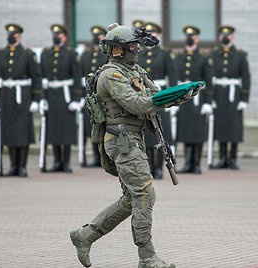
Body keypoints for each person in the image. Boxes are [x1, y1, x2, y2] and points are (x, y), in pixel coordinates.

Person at [70, 23, 175, 268]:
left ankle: (85, 236)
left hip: (132, 138)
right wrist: (165, 100)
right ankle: (147, 257)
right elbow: (138, 105)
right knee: (144, 194)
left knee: (132, 198)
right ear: (118, 50)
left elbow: (154, 94)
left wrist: (178, 95)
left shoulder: (133, 70)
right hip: (122, 140)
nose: (136, 50)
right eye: (132, 46)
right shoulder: (112, 75)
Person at [0, 23, 42, 177]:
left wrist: (36, 99)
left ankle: (22, 166)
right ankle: (13, 165)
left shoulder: (27, 54)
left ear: (19, 36)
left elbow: (36, 76)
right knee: (9, 132)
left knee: (22, 132)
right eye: (9, 34)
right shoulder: (0, 54)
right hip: (6, 97)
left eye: (14, 34)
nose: (11, 36)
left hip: (23, 97)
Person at [138, 22, 178, 179]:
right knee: (146, 132)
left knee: (161, 132)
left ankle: (159, 167)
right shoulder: (139, 54)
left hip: (160, 95)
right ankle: (149, 166)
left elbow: (173, 76)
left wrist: (174, 99)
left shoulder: (165, 54)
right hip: (142, 95)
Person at [40, 24, 81, 173]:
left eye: (59, 35)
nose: (56, 37)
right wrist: (42, 97)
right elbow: (42, 75)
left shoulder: (70, 53)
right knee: (54, 129)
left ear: (64, 37)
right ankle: (57, 161)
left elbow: (77, 75)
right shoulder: (46, 53)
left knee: (67, 130)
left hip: (66, 95)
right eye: (54, 35)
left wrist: (76, 98)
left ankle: (66, 161)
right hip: (52, 94)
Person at [210, 25, 250, 170]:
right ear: (220, 38)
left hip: (234, 95)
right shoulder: (214, 54)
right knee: (221, 126)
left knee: (234, 127)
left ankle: (232, 159)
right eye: (222, 35)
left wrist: (244, 99)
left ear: (232, 37)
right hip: (219, 93)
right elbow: (210, 77)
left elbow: (246, 77)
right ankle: (222, 158)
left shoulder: (240, 55)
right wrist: (210, 98)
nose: (225, 38)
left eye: (228, 35)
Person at [175, 25, 213, 174]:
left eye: (193, 37)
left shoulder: (203, 59)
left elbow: (208, 80)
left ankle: (196, 164)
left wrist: (208, 102)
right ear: (185, 39)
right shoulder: (178, 58)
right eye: (187, 36)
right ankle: (187, 163)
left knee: (197, 132)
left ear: (197, 39)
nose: (190, 39)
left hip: (198, 99)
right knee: (185, 131)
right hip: (183, 99)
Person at [79, 25, 108, 167]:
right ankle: (96, 157)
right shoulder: (86, 54)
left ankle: (106, 157)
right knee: (93, 127)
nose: (96, 38)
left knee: (106, 126)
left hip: (104, 96)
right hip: (91, 97)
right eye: (94, 35)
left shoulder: (107, 54)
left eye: (99, 35)